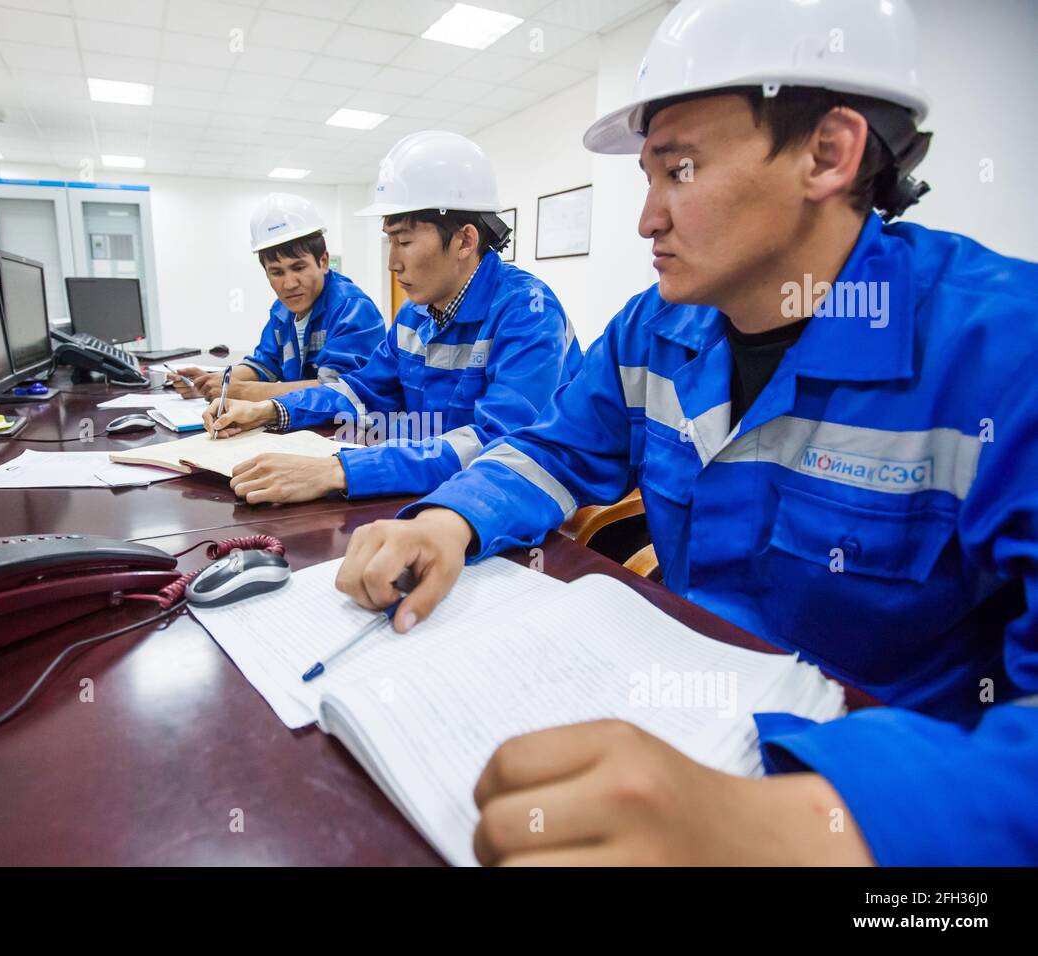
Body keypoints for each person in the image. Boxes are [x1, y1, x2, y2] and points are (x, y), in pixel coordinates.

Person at [334, 0, 1038, 865]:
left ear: (829, 153)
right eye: (647, 178)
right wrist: (452, 520)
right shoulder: (653, 330)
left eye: (682, 171)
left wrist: (798, 826)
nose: (646, 220)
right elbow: (554, 448)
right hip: (664, 703)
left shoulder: (1004, 353)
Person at [204, 131, 583, 505]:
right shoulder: (414, 314)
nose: (392, 262)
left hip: (516, 504)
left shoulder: (529, 313)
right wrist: (272, 410)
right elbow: (361, 393)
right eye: (390, 243)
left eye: (404, 242)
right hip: (436, 484)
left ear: (465, 241)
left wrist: (340, 471)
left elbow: (498, 444)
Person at [172, 192, 382, 402]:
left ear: (324, 261)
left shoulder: (351, 308)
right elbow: (264, 364)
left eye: (298, 267)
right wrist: (213, 383)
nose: (289, 284)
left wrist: (243, 392)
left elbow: (337, 389)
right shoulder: (282, 311)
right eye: (277, 272)